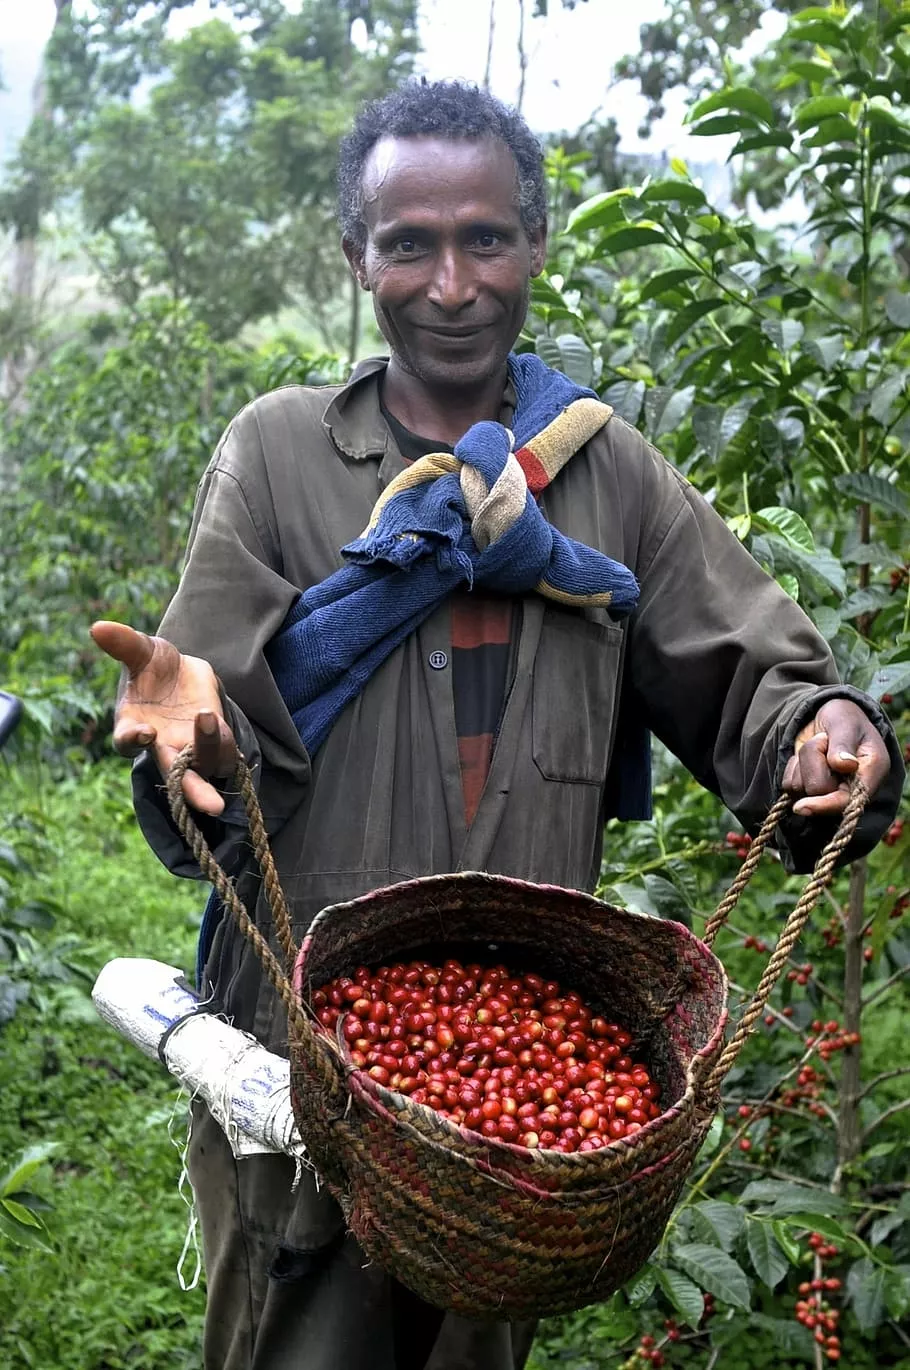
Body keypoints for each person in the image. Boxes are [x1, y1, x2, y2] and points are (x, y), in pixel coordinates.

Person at [91, 81, 902, 1370]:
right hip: (307, 1064)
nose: (451, 283)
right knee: (296, 1332)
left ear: (535, 244)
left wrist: (825, 734)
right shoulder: (283, 456)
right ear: (357, 258)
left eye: (486, 239)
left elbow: (757, 684)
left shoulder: (607, 471)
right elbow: (198, 720)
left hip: (515, 1108)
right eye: (409, 244)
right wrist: (195, 743)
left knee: (474, 1348)